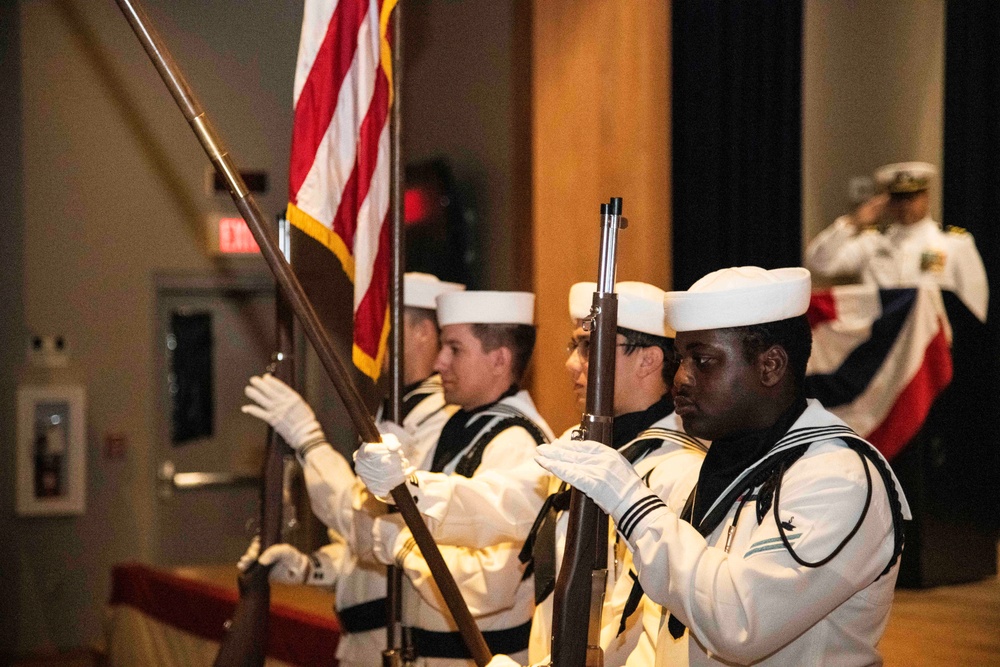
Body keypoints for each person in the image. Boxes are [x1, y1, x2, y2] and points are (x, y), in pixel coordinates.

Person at [534, 266, 911, 666]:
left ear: (771, 366)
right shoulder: (731, 459)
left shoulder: (837, 477)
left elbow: (741, 624)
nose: (680, 378)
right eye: (681, 359)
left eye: (704, 360)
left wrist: (633, 504)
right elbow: (663, 634)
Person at [357, 281, 708, 665]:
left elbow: (646, 632)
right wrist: (405, 484)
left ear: (648, 360)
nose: (572, 363)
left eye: (588, 347)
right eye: (574, 347)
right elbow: (504, 503)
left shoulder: (680, 470)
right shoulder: (576, 446)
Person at [237, 272, 463, 667]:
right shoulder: (398, 410)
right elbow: (367, 543)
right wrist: (313, 568)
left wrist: (310, 443)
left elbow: (370, 522)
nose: (377, 342)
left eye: (387, 327)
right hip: (365, 640)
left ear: (425, 331)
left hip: (408, 644)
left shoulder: (443, 422)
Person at [356, 289, 554, 665]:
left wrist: (404, 545)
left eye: (455, 349)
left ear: (499, 360)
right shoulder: (458, 427)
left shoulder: (515, 442)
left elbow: (489, 586)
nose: (439, 362)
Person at [806, 161, 989, 322]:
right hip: (883, 342)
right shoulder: (873, 242)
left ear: (926, 196)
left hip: (932, 344)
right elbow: (820, 263)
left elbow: (974, 300)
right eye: (898, 198)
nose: (905, 205)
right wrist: (853, 222)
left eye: (911, 197)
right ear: (887, 201)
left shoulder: (953, 242)